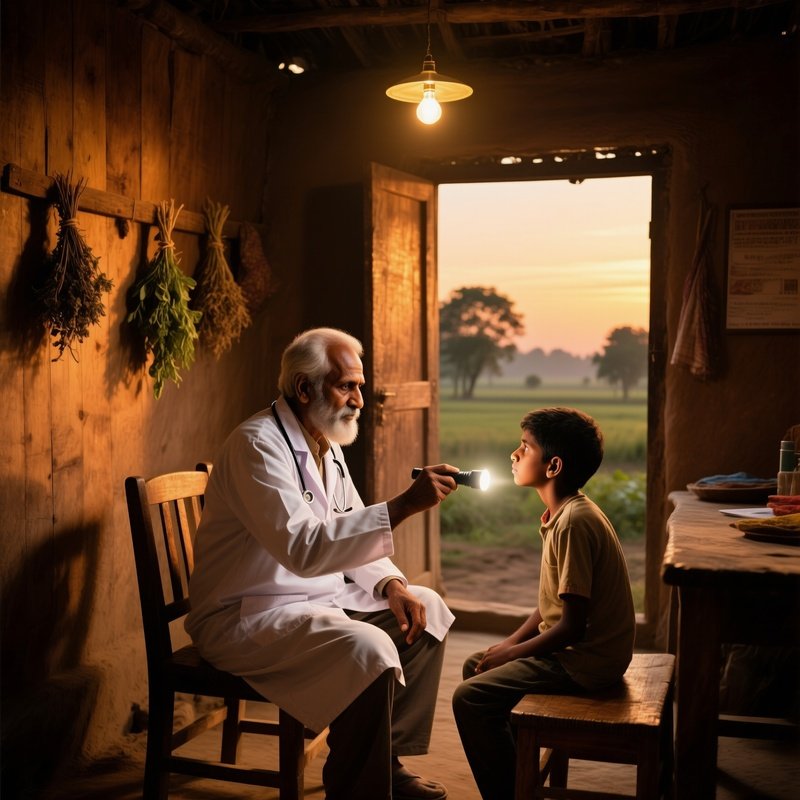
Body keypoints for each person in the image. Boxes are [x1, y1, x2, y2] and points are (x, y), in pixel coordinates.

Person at [185, 327, 459, 800]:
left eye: (360, 386)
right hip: (248, 613)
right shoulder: (258, 445)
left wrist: (392, 583)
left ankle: (386, 763)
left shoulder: (324, 445)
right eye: (346, 386)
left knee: (425, 608)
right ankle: (356, 789)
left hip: (312, 599)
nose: (359, 398)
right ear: (304, 388)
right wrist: (403, 505)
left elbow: (348, 519)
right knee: (369, 649)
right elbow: (304, 549)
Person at [452, 407, 635, 800]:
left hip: (587, 661)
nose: (514, 455)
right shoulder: (561, 514)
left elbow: (572, 627)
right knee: (477, 663)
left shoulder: (574, 523)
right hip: (579, 652)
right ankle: (521, 772)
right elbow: (550, 605)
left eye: (524, 447)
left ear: (553, 465)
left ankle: (512, 793)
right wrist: (506, 647)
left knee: (470, 698)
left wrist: (513, 652)